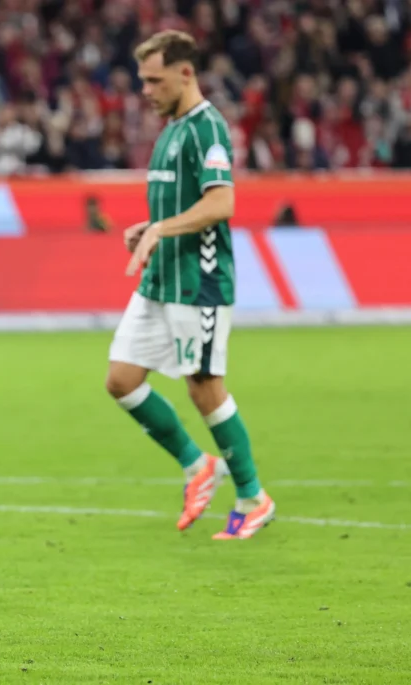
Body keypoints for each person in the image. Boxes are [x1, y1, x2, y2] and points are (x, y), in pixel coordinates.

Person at [106, 31, 275, 540]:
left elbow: (222, 202)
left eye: (154, 80)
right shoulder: (171, 130)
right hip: (161, 279)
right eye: (143, 80)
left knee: (204, 387)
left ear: (185, 73)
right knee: (121, 379)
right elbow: (184, 206)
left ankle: (253, 496)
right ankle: (198, 465)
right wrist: (149, 225)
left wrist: (161, 229)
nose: (145, 90)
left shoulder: (208, 128)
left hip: (198, 282)